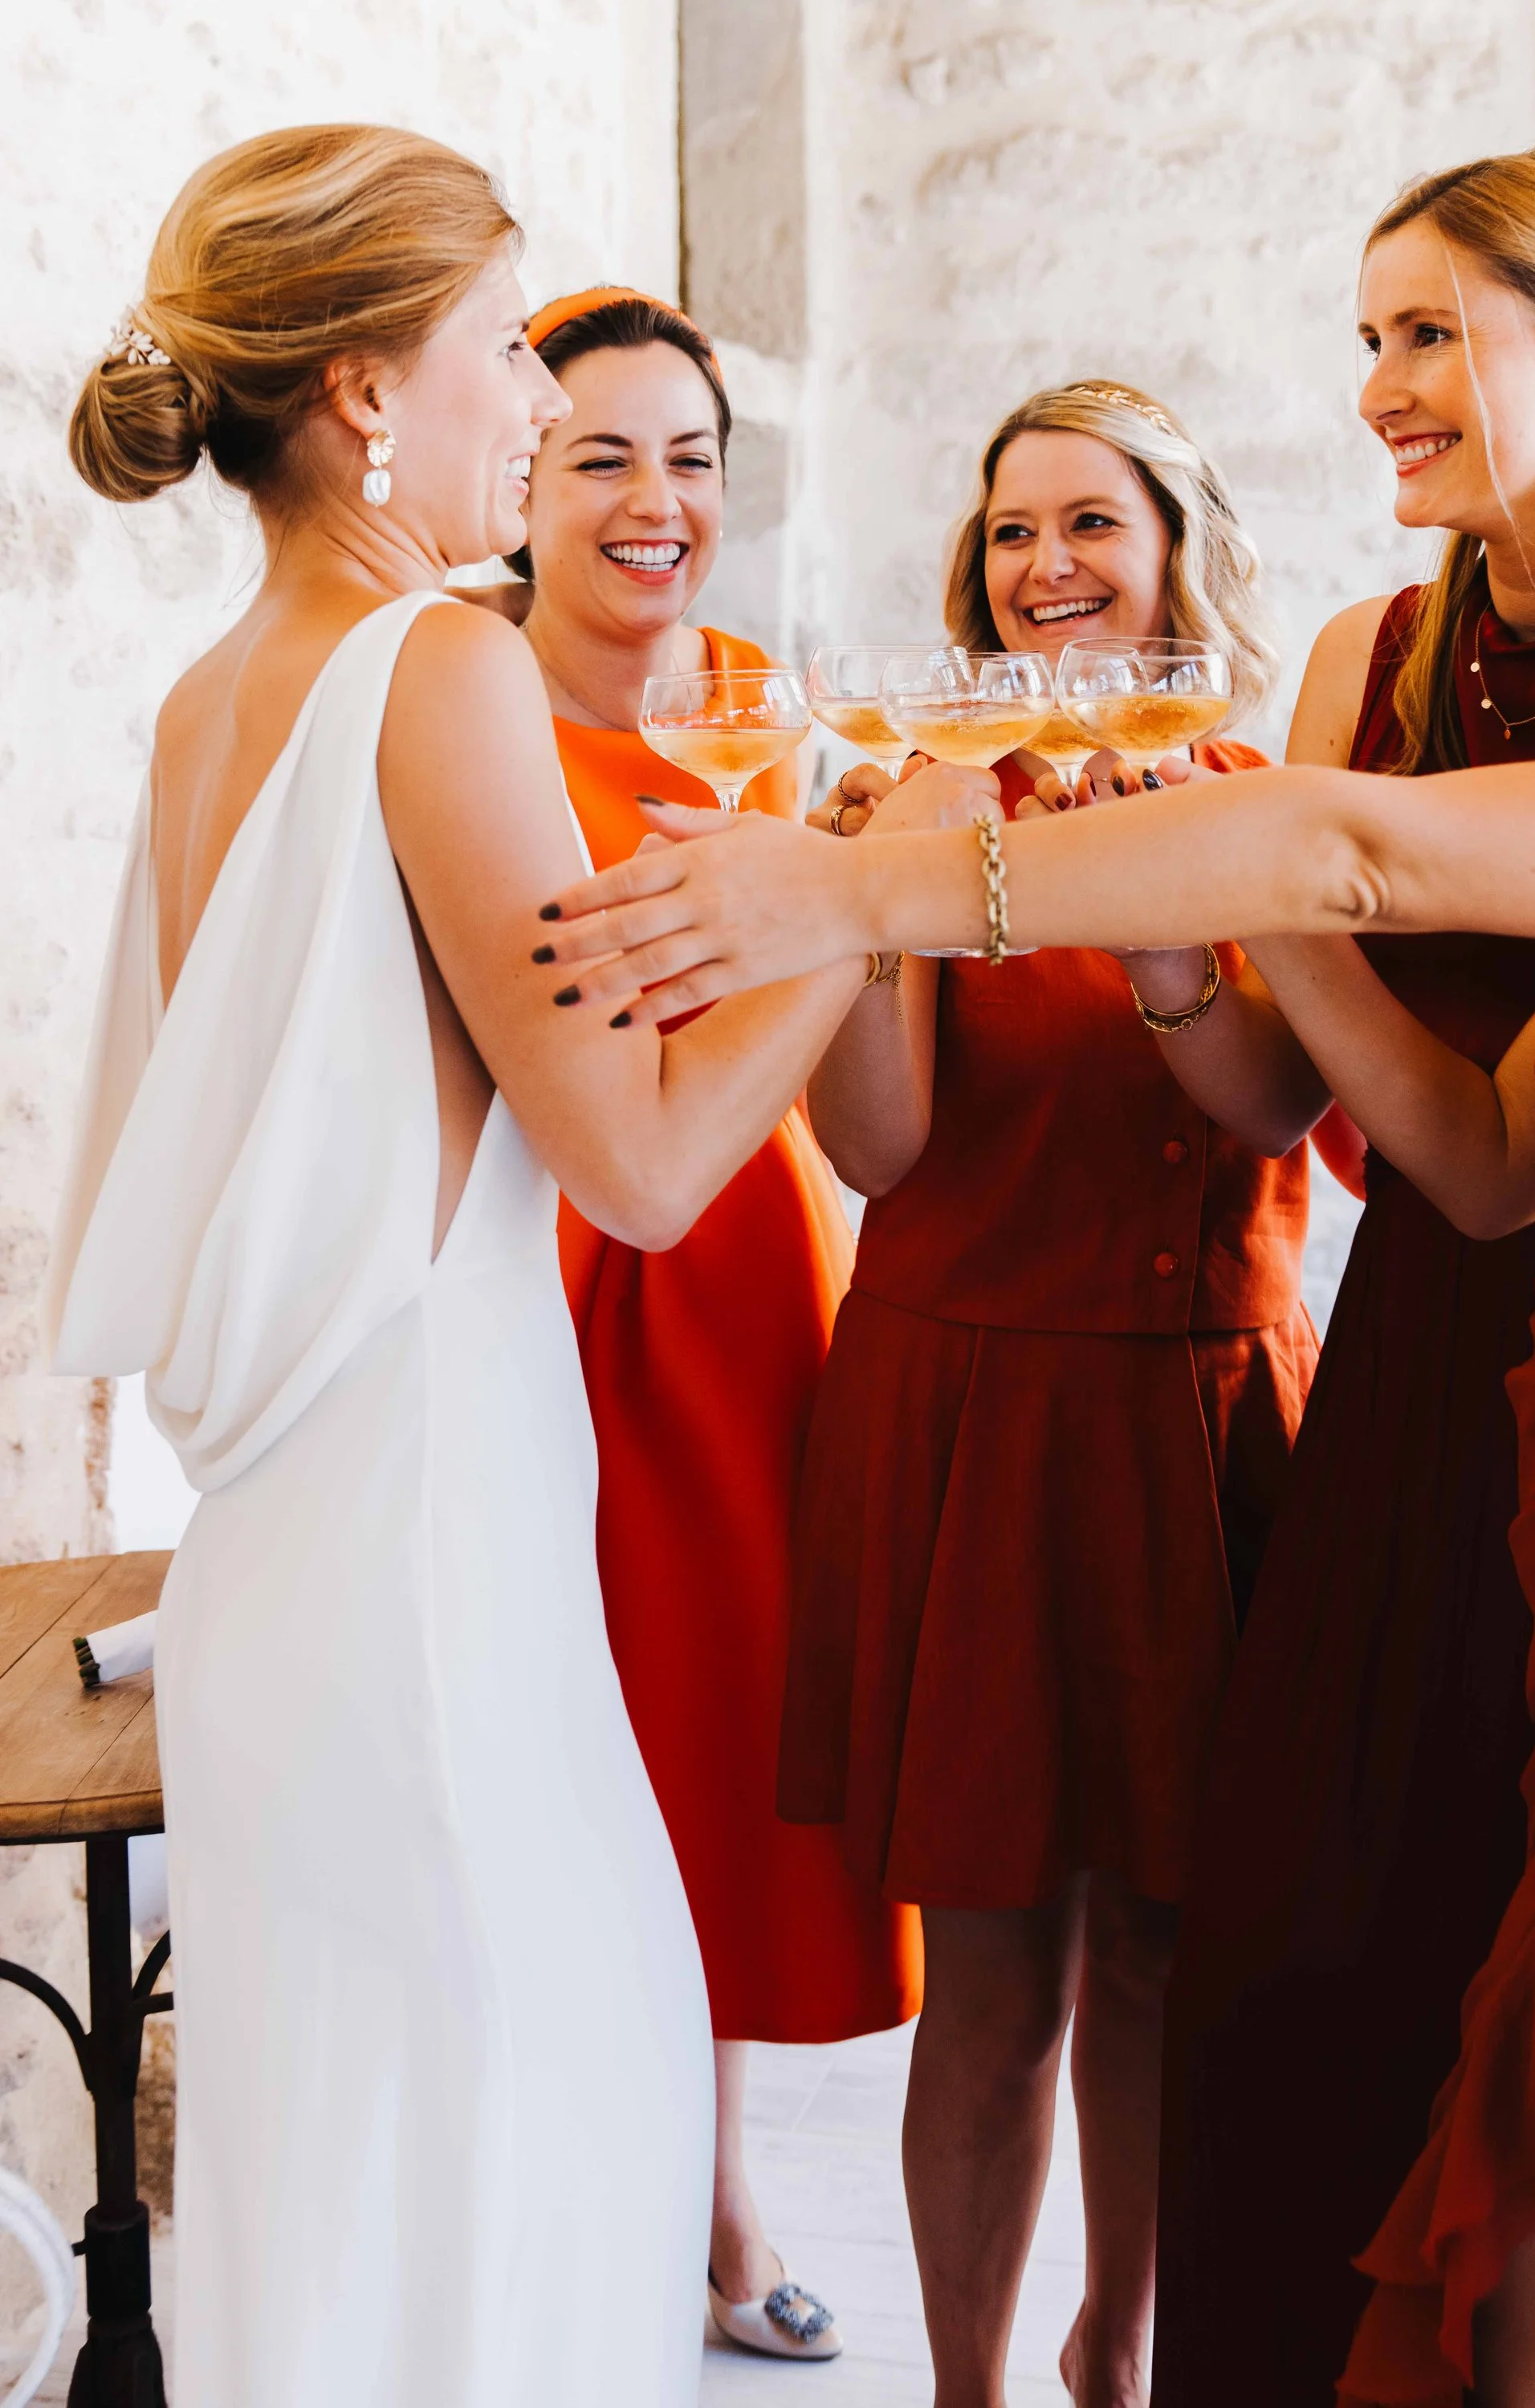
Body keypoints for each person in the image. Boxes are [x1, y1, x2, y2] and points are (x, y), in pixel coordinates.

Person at [544, 170, 1535, 2407]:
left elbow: (1359, 842)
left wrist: (860, 886)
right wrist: (1190, 927)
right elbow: (1474, 1155)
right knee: (1516, 2281)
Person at [43, 125, 873, 2408]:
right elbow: (646, 1161)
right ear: (362, 395)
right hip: (433, 1575)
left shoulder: (214, 691)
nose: (538, 396)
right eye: (504, 346)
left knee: (357, 2210)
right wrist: (855, 887)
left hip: (280, 1577)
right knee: (533, 2178)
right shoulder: (438, 666)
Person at [1142, 149, 1535, 2407]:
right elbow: (1271, 1094)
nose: (1375, 384)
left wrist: (1262, 879)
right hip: (1404, 1371)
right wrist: (1179, 949)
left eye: (1427, 331)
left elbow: (1495, 1153)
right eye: (1365, 335)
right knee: (1289, 1947)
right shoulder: (1361, 657)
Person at [788, 381, 1325, 2408]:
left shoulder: (1261, 799)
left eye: (1090, 521)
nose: (1045, 564)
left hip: (1202, 1423)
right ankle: (967, 2387)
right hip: (976, 1428)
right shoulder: (927, 797)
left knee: (1174, 1946)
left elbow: (1276, 1106)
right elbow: (877, 1148)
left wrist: (1170, 919)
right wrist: (866, 906)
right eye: (1011, 530)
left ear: (1177, 546)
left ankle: (1121, 2350)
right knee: (995, 1965)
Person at [504, 282, 921, 2361]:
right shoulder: (468, 717)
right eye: (601, 455)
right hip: (542, 1268)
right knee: (552, 1735)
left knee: (722, 1741)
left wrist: (874, 904)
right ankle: (566, 2188)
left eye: (689, 458)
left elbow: (851, 1079)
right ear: (517, 480)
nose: (653, 499)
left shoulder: (761, 705)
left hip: (743, 1272)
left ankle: (717, 2175)